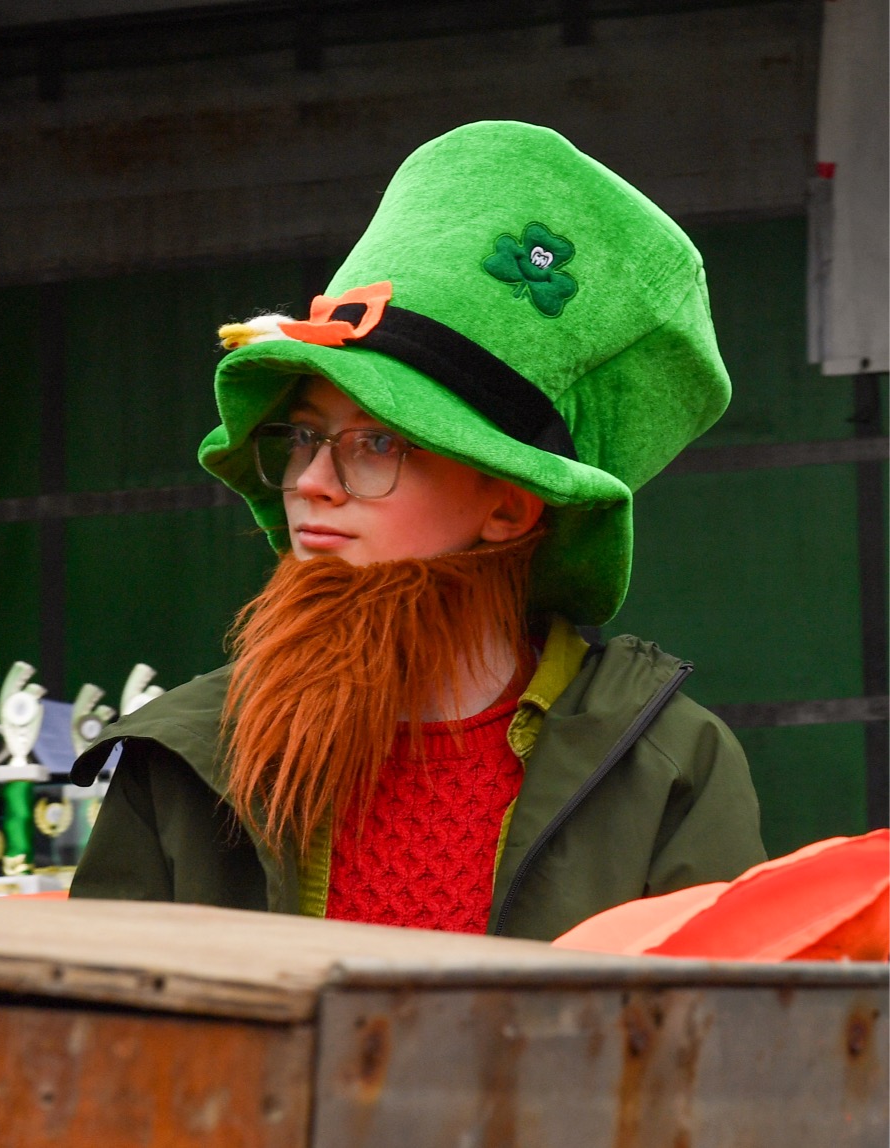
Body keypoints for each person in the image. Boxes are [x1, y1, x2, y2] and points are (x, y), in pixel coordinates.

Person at [69, 120, 766, 940]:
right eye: (303, 436)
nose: (310, 482)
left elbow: (720, 1017)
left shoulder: (667, 764)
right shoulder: (185, 756)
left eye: (377, 443)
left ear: (508, 507)